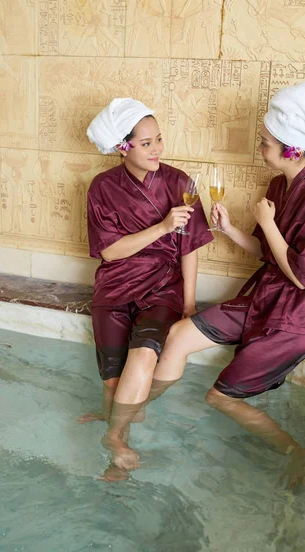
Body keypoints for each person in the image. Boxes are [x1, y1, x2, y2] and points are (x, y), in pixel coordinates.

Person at [152, 82, 305, 486]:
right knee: (180, 335)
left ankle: (297, 451)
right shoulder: (279, 185)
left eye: (267, 140)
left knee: (218, 397)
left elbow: (303, 276)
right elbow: (265, 250)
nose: (261, 145)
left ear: (291, 147)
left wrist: (269, 224)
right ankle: (145, 412)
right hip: (264, 297)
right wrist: (231, 229)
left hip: (295, 317)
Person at [80, 98, 213, 480]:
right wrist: (160, 227)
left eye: (159, 139)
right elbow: (109, 250)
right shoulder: (102, 187)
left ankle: (113, 436)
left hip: (162, 286)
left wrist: (188, 304)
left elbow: (190, 247)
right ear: (124, 147)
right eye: (146, 143)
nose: (157, 149)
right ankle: (115, 446)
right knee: (111, 382)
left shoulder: (179, 182)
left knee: (142, 358)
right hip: (116, 285)